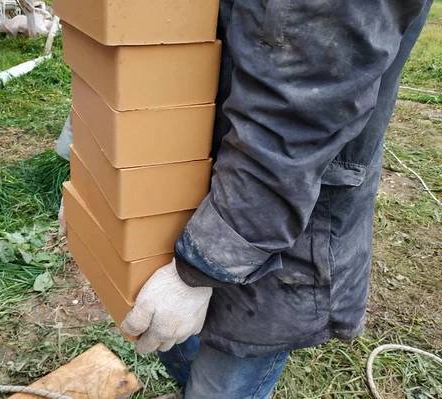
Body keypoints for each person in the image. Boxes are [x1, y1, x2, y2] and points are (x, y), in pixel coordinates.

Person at [115, 1, 434, 398]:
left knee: (224, 380)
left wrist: (199, 269)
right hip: (212, 169)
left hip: (280, 207)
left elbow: (299, 115)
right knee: (184, 346)